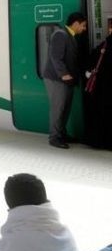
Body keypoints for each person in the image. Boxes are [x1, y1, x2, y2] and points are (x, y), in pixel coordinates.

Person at [43, 12, 87, 149]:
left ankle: (62, 133)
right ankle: (54, 137)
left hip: (67, 80)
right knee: (58, 108)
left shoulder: (70, 36)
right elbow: (55, 57)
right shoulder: (60, 34)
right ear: (76, 23)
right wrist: (64, 75)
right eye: (83, 25)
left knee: (65, 108)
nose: (84, 28)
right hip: (57, 79)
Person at [84, 24, 112, 149]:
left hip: (102, 88)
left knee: (102, 114)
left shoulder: (104, 45)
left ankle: (100, 141)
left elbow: (91, 61)